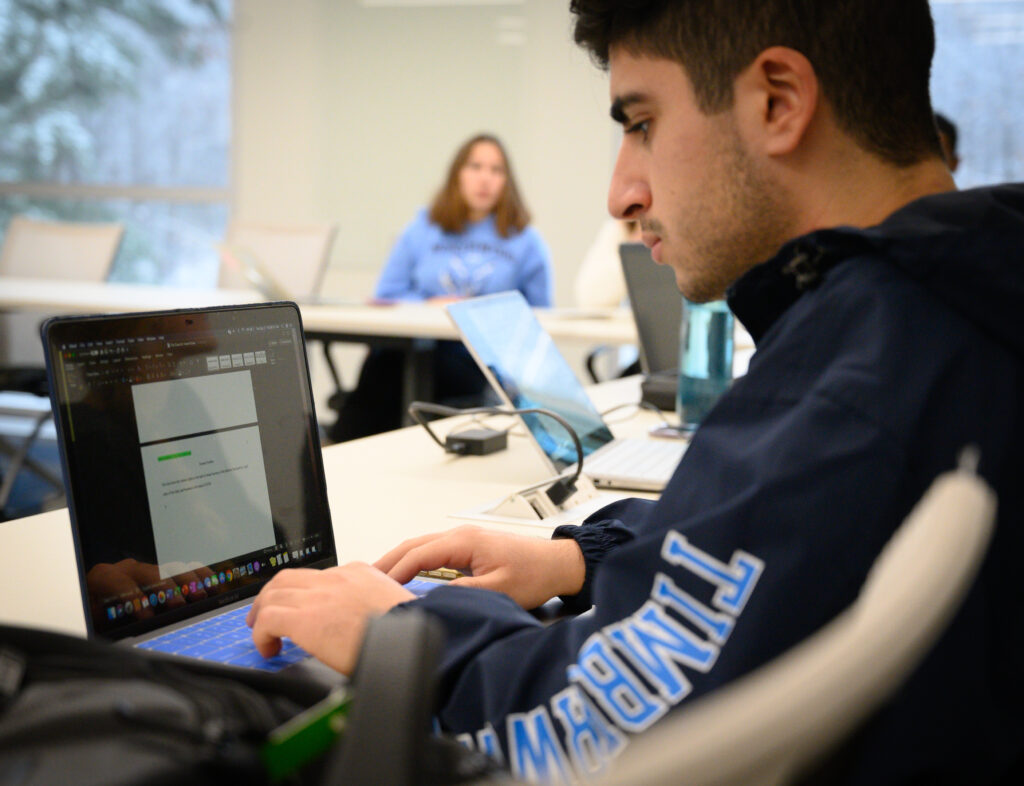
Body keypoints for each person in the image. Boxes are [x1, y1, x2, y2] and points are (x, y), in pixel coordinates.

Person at [250, 2, 1024, 783]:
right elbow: (787, 530)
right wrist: (582, 558)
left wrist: (407, 632)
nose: (621, 193)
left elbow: (577, 731)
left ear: (778, 102)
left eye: (642, 122)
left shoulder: (858, 386)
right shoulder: (947, 307)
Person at [329, 134, 552, 441]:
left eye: (496, 170)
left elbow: (538, 318)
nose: (485, 178)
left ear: (506, 181)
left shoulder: (525, 240)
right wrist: (430, 304)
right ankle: (343, 451)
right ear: (457, 174)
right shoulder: (424, 228)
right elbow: (385, 295)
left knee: (394, 370)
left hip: (475, 361)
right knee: (387, 360)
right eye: (475, 166)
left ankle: (339, 445)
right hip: (414, 345)